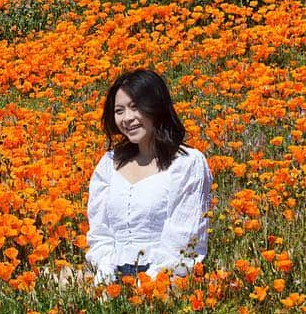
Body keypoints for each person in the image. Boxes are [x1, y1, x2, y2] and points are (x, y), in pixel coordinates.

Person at [85, 70, 213, 284]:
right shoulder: (109, 163)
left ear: (156, 107)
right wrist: (107, 275)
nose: (127, 118)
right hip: (111, 276)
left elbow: (184, 240)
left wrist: (146, 284)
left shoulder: (186, 163)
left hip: (164, 279)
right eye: (119, 110)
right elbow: (100, 233)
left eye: (135, 107)